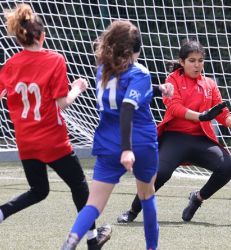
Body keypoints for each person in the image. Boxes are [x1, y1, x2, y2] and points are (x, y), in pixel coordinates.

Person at [0, 4, 111, 250]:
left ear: (19, 37)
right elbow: (63, 103)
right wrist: (78, 88)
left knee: (39, 190)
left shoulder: (11, 64)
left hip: (26, 141)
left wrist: (11, 89)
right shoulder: (55, 60)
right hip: (52, 140)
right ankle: (92, 239)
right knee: (79, 185)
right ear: (42, 36)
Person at [117, 39, 231, 223]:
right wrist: (201, 116)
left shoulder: (209, 84)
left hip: (201, 139)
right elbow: (174, 107)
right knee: (159, 173)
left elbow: (222, 114)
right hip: (175, 138)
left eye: (200, 60)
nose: (197, 64)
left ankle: (197, 198)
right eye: (192, 60)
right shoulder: (172, 80)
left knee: (226, 169)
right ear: (182, 62)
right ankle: (133, 210)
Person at [61, 20, 162, 250]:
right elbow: (127, 106)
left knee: (93, 204)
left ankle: (69, 243)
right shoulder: (140, 73)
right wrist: (127, 149)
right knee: (147, 195)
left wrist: (158, 89)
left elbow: (124, 93)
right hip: (139, 141)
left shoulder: (102, 71)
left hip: (107, 141)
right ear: (135, 50)